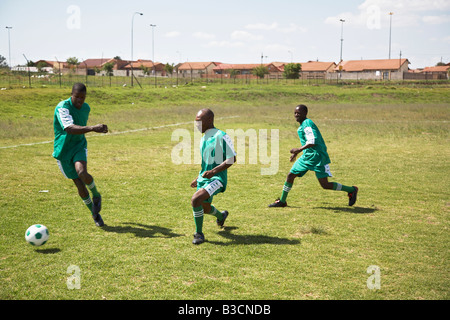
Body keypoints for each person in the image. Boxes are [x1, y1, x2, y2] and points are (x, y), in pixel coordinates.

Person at [268, 104, 358, 208]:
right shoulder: (302, 125)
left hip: (317, 157)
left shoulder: (307, 123)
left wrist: (299, 149)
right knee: (290, 175)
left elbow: (313, 141)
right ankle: (282, 201)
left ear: (305, 113)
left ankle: (352, 190)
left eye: (299, 113)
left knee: (325, 185)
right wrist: (297, 153)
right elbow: (308, 142)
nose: (296, 115)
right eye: (295, 113)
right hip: (307, 156)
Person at [52, 83, 108, 226]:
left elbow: (79, 127)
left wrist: (95, 129)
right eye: (77, 97)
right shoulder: (62, 107)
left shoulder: (86, 108)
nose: (80, 100)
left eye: (83, 97)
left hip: (78, 145)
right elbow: (69, 128)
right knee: (79, 185)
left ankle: (96, 195)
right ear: (71, 94)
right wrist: (93, 128)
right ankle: (94, 214)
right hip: (63, 150)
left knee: (82, 172)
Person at [190, 109, 237, 245]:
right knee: (204, 208)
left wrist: (213, 172)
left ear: (209, 120)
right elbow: (206, 163)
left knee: (195, 199)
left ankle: (199, 234)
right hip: (204, 178)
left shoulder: (221, 136)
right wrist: (198, 178)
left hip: (217, 179)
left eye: (199, 121)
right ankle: (221, 216)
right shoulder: (203, 138)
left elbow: (232, 158)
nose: (197, 124)